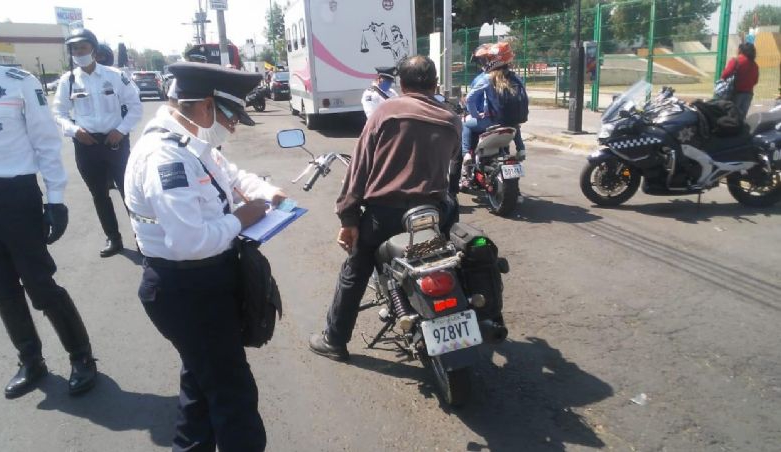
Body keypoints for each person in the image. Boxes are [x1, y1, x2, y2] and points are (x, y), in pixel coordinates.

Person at [124, 62, 288, 451]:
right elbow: (189, 241)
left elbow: (230, 174)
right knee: (233, 395)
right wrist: (241, 219)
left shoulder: (193, 143)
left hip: (203, 283)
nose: (232, 127)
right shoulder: (166, 158)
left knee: (201, 381)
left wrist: (266, 190)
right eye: (230, 117)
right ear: (205, 106)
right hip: (187, 288)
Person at [0, 7, 97, 399]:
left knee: (40, 286)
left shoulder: (18, 82)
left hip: (15, 196)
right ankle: (31, 360)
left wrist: (57, 200)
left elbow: (47, 143)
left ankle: (81, 356)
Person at [309, 55, 462, 361]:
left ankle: (335, 340)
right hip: (434, 213)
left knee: (355, 269)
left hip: (387, 217)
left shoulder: (385, 112)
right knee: (452, 257)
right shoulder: (451, 118)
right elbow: (454, 167)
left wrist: (348, 217)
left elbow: (359, 171)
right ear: (434, 85)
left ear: (401, 84)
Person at [53, 28, 143, 257]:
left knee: (129, 193)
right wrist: (74, 130)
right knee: (99, 194)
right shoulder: (68, 81)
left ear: (93, 48)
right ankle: (114, 239)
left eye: (83, 47)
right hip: (86, 144)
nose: (78, 52)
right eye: (74, 48)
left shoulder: (115, 76)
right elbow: (59, 112)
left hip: (115, 142)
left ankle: (142, 239)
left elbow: (135, 106)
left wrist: (121, 130)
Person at [461, 42, 526, 187]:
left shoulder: (486, 78)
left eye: (488, 59)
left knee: (466, 125)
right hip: (511, 123)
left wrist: (476, 115)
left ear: (493, 60)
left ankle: (466, 155)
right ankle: (521, 149)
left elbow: (470, 99)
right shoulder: (517, 78)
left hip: (491, 122)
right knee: (514, 126)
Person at [720, 42, 760, 121]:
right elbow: (755, 81)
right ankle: (741, 131)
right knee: (742, 117)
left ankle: (731, 131)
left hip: (735, 92)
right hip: (749, 93)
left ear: (740, 50)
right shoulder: (755, 64)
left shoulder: (736, 60)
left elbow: (725, 74)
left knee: (732, 115)